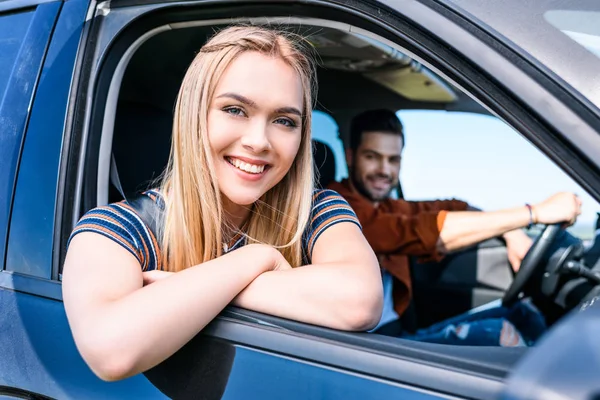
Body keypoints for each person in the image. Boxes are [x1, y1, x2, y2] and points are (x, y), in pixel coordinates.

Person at [61, 26, 383, 382]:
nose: (259, 141)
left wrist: (188, 287)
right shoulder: (117, 229)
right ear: (194, 113)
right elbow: (110, 350)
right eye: (235, 109)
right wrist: (258, 258)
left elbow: (360, 301)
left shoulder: (316, 211)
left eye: (283, 120)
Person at [328, 109, 582, 346]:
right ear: (351, 157)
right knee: (500, 334)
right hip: (367, 347)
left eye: (393, 159)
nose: (384, 170)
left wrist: (511, 232)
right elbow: (429, 233)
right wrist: (534, 213)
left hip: (398, 333)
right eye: (372, 157)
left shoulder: (387, 206)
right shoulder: (338, 208)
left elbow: (456, 207)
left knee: (523, 312)